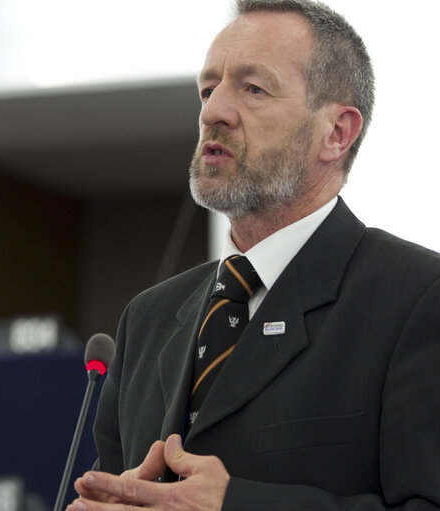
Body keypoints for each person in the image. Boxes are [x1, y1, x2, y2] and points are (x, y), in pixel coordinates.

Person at [67, 0, 440, 510]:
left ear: (336, 133)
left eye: (253, 88)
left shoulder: (417, 298)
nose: (212, 112)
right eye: (207, 89)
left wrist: (235, 504)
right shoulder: (148, 319)